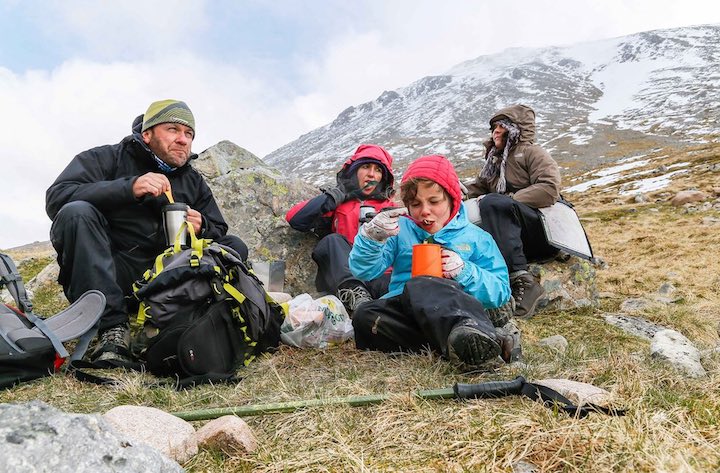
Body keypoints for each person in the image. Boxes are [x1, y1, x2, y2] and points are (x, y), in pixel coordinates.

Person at [46, 99, 248, 366]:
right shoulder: (106, 159)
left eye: (189, 134)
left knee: (234, 246)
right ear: (147, 134)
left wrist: (203, 226)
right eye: (173, 130)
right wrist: (129, 187)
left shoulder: (192, 180)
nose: (183, 140)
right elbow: (58, 196)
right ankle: (112, 328)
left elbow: (219, 228)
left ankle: (200, 316)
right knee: (77, 212)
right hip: (110, 273)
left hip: (165, 279)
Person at [348, 155, 519, 367]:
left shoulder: (477, 238)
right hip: (406, 311)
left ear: (452, 199)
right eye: (415, 204)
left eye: (434, 201)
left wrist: (465, 271)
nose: (424, 211)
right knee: (364, 316)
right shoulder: (400, 230)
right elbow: (363, 271)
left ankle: (471, 335)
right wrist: (371, 238)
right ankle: (476, 341)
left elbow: (501, 291)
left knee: (421, 282)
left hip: (457, 312)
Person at [466, 104, 561, 318]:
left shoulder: (532, 153)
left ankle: (524, 281)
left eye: (502, 126)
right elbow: (476, 189)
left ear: (517, 130)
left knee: (493, 203)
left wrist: (508, 199)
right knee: (479, 206)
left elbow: (549, 188)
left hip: (540, 233)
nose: (495, 131)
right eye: (494, 127)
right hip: (509, 236)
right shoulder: (493, 161)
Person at [286, 144, 396, 314]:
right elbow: (295, 219)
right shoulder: (339, 202)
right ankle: (355, 296)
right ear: (354, 171)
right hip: (344, 273)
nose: (372, 174)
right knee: (331, 240)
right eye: (366, 166)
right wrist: (333, 196)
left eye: (378, 170)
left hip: (379, 275)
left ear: (384, 177)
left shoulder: (390, 208)